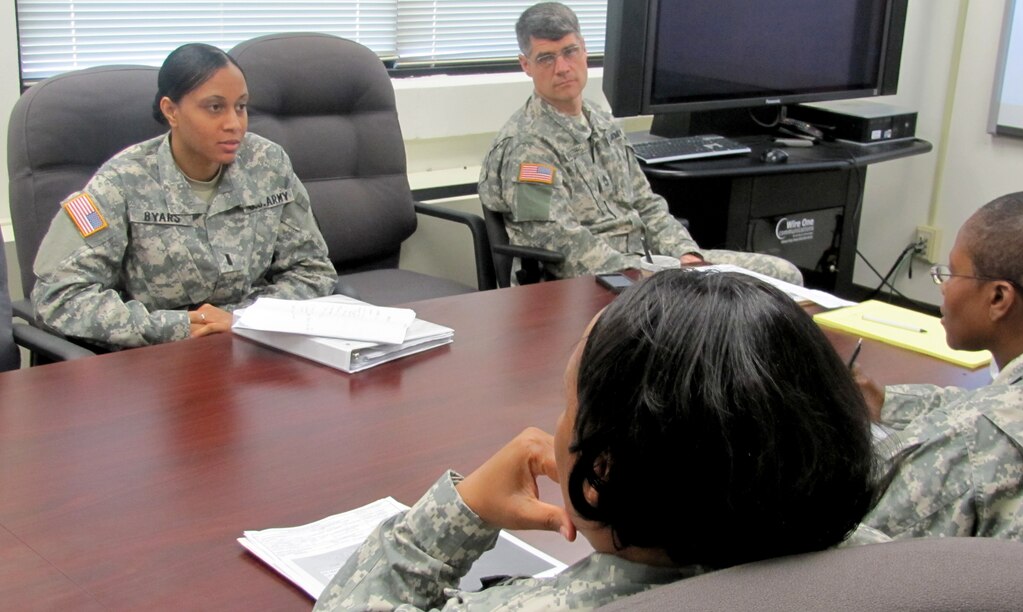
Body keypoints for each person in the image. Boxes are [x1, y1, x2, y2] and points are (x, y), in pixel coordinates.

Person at [315, 270, 885, 611]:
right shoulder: (903, 570)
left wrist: (457, 514)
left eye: (569, 407)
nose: (558, 426)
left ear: (606, 467)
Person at [31, 43, 337, 351]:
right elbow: (60, 297)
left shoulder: (268, 164)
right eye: (215, 107)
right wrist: (179, 327)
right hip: (159, 361)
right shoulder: (121, 182)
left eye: (241, 106)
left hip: (252, 347)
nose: (234, 123)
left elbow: (312, 270)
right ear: (171, 110)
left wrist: (243, 319)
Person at [478, 2, 802, 285]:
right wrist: (644, 275)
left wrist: (686, 254)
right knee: (711, 309)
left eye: (569, 51)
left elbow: (646, 204)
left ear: (584, 49)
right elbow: (555, 241)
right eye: (546, 58)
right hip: (591, 281)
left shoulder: (602, 124)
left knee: (783, 276)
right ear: (526, 65)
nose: (562, 67)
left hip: (650, 265)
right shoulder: (526, 147)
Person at [856, 190, 1023, 566]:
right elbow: (1009, 401)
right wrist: (884, 402)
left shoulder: (964, 452)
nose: (944, 287)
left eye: (951, 272)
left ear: (999, 298)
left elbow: (856, 563)